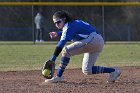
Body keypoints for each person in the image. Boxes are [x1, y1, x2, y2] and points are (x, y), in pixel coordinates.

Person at [45, 10, 121, 83]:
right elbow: (69, 31)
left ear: (64, 19)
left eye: (58, 22)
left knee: (66, 50)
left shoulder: (69, 26)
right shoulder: (72, 24)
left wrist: (53, 59)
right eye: (55, 23)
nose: (57, 24)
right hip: (96, 41)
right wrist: (58, 33)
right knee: (87, 70)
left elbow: (61, 44)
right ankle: (113, 71)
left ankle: (59, 76)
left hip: (93, 40)